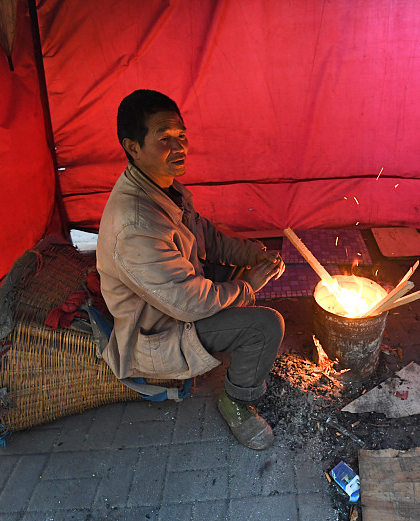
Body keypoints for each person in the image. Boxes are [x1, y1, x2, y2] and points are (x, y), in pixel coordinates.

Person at [96, 89, 285, 450]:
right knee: (266, 325)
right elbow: (189, 304)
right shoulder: (135, 224)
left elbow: (205, 238)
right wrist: (248, 285)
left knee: (235, 281)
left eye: (181, 136)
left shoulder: (164, 188)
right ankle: (238, 401)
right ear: (132, 147)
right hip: (157, 330)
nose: (180, 147)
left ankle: (238, 342)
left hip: (175, 299)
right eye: (164, 139)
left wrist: (251, 255)